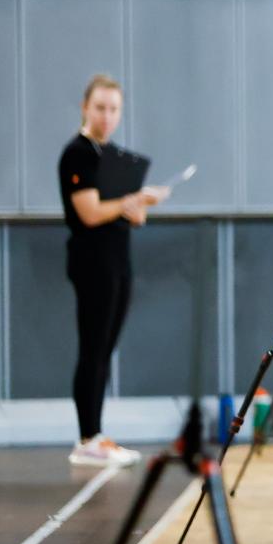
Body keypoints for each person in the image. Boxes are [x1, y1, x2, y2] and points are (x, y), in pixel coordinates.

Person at [58, 74, 170, 466]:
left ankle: (97, 433)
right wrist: (130, 200)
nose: (107, 116)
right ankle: (87, 436)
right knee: (93, 349)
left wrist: (141, 203)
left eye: (114, 109)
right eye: (100, 108)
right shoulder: (78, 154)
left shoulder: (113, 157)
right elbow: (89, 213)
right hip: (91, 263)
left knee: (104, 350)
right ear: (85, 107)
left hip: (118, 259)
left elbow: (130, 217)